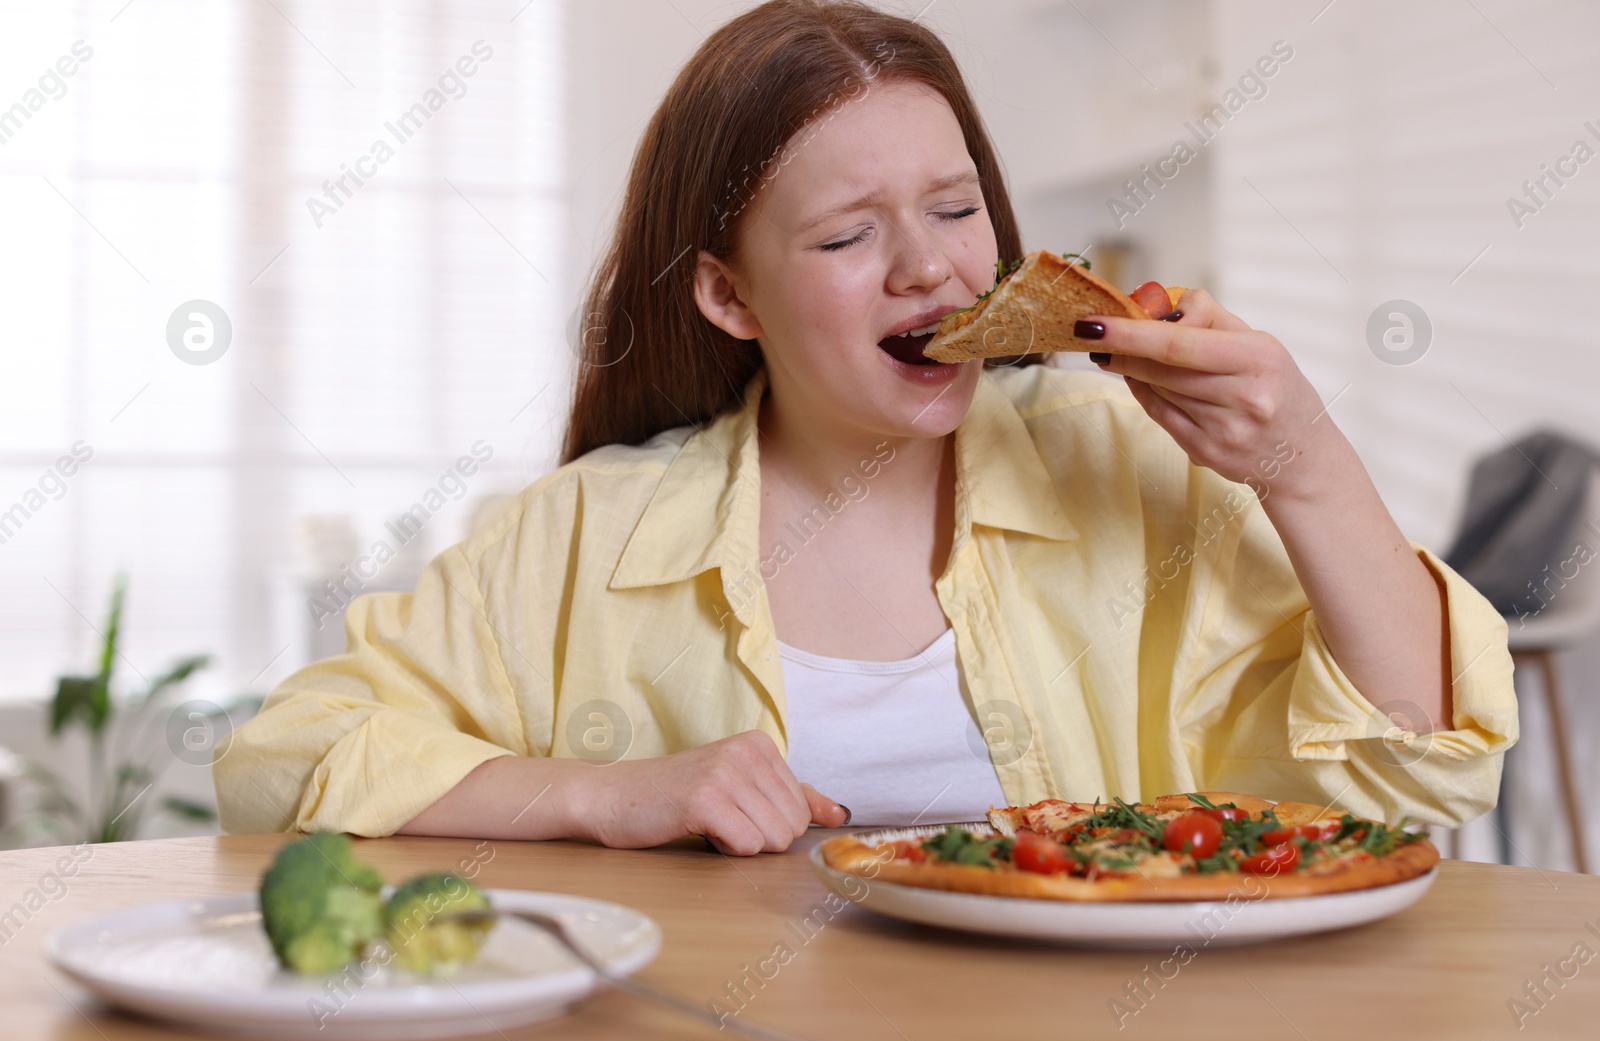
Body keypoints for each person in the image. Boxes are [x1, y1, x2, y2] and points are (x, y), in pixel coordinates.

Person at [215, 0, 1516, 854]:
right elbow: (281, 762)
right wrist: (613, 792)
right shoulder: (586, 535)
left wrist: (1303, 464)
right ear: (730, 295)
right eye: (847, 235)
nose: (932, 272)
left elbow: (1417, 787)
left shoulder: (1125, 469)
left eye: (957, 210)